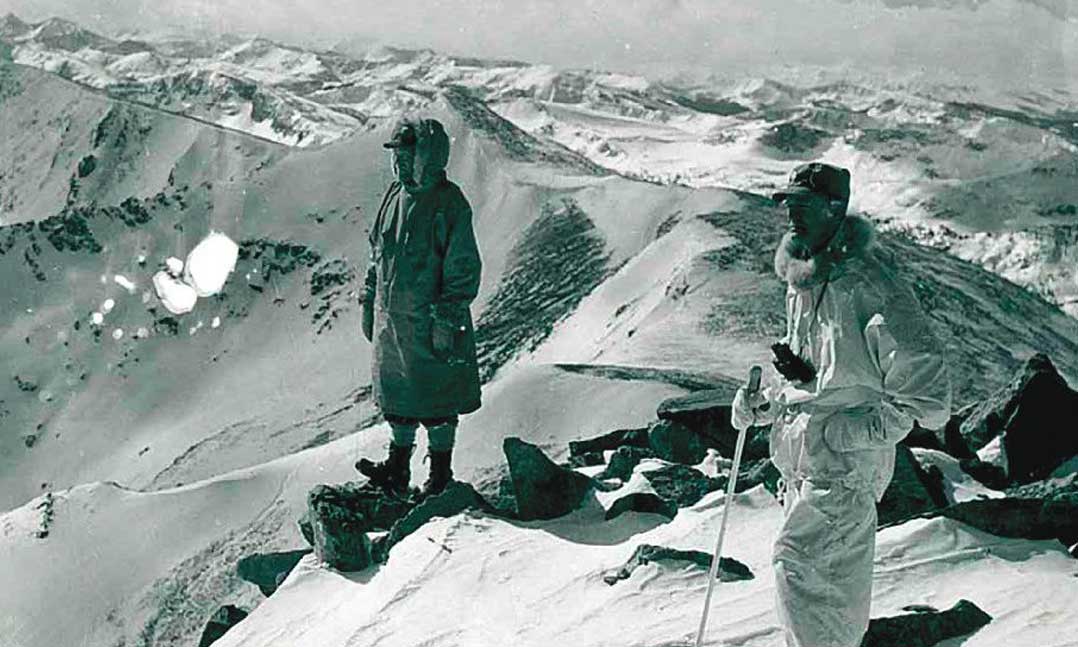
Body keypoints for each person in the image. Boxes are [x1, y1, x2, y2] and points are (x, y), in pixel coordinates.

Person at [730, 162, 951, 646]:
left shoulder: (869, 285)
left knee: (809, 592)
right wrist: (760, 403)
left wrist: (854, 434)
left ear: (835, 208)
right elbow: (812, 378)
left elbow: (927, 390)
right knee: (809, 602)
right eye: (788, 204)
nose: (791, 215)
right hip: (804, 469)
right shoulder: (804, 281)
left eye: (803, 204)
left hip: (844, 474)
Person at [355, 116, 483, 499]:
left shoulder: (449, 203)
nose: (400, 163)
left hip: (430, 322)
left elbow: (462, 267)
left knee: (437, 399)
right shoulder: (393, 196)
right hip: (393, 320)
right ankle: (397, 467)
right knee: (398, 393)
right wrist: (368, 299)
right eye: (397, 156)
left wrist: (446, 318)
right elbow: (378, 253)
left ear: (427, 156)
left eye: (407, 155)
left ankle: (440, 476)